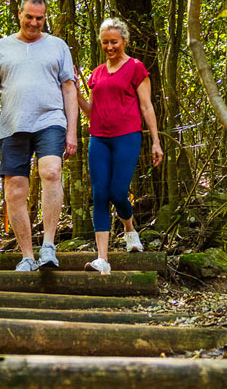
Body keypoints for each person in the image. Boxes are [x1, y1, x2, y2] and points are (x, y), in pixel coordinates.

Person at [0, 0, 78, 272]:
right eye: (29, 17)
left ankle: (48, 246)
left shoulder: (57, 46)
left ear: (45, 18)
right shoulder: (1, 47)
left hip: (50, 120)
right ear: (19, 14)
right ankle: (27, 256)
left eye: (39, 18)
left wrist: (72, 131)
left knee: (51, 172)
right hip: (13, 124)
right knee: (15, 189)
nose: (34, 23)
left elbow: (69, 89)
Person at [76, 17, 163, 275]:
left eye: (114, 42)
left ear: (124, 41)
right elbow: (91, 111)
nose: (110, 47)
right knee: (100, 194)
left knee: (117, 192)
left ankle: (129, 229)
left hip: (127, 135)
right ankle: (102, 258)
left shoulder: (136, 68)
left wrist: (155, 141)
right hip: (99, 137)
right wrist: (76, 92)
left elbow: (147, 106)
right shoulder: (97, 73)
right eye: (105, 42)